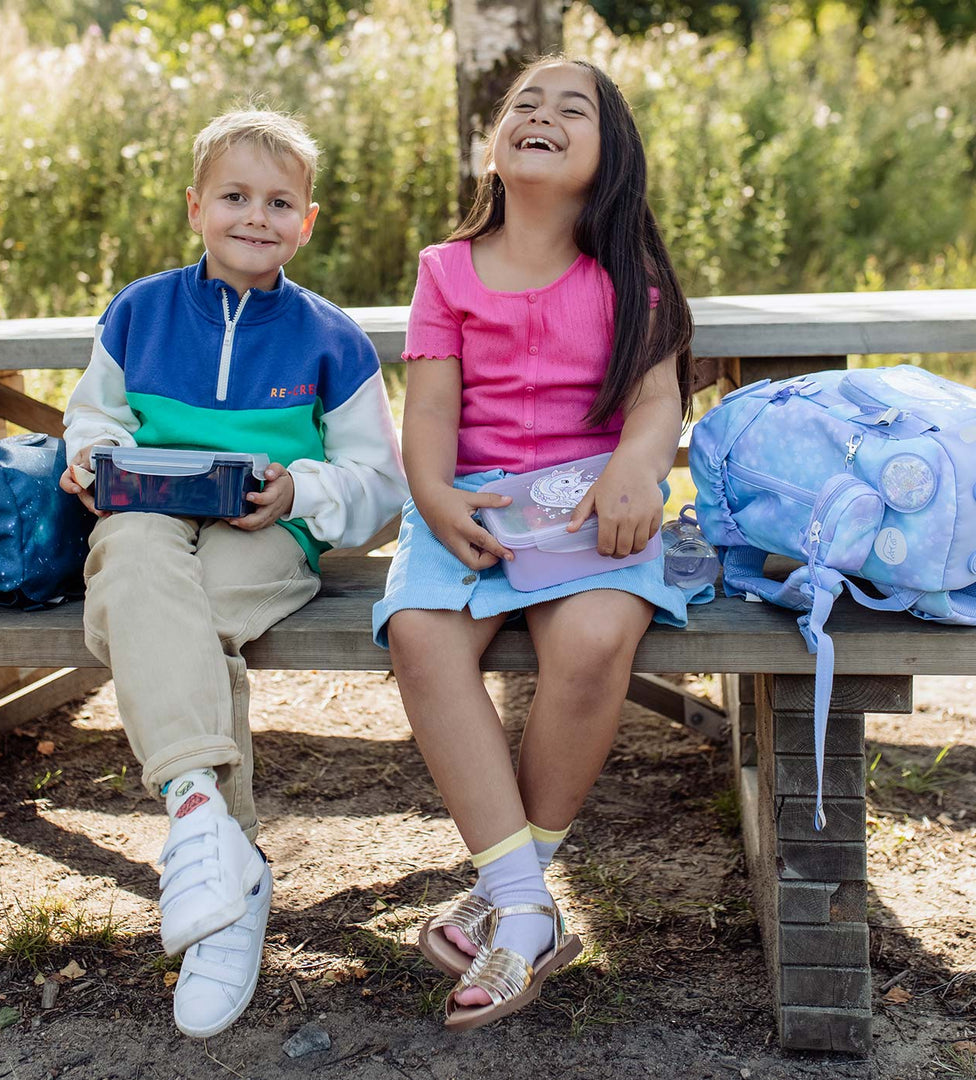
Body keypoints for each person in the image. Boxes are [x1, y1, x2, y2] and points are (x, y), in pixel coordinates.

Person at [372, 57, 708, 1031]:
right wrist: (434, 497)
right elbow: (429, 412)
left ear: (611, 158)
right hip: (471, 505)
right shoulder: (445, 270)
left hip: (593, 503)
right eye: (525, 102)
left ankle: (511, 893)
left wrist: (635, 470)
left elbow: (656, 404)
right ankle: (525, 906)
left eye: (572, 109)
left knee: (596, 638)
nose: (542, 114)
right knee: (419, 635)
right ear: (495, 143)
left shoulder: (631, 278)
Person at [60, 107, 407, 1038]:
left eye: (279, 202)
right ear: (195, 208)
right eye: (234, 197)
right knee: (133, 557)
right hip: (148, 513)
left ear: (308, 221)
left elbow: (379, 484)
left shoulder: (332, 338)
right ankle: (214, 839)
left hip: (265, 532)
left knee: (182, 620)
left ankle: (211, 855)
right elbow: (94, 417)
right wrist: (92, 457)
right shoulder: (138, 311)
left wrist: (299, 489)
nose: (256, 216)